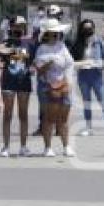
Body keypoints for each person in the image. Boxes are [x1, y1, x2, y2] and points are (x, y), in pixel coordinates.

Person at [34, 17, 75, 157]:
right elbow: (39, 70)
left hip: (63, 85)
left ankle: (66, 146)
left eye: (57, 32)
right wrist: (48, 64)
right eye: (53, 32)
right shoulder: (42, 49)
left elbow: (69, 64)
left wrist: (69, 81)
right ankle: (48, 147)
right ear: (47, 34)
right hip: (47, 86)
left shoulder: (62, 46)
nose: (56, 34)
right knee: (48, 118)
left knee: (64, 118)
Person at [0, 16, 34, 157]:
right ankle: (5, 147)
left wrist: (33, 68)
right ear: (11, 26)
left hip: (24, 81)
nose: (19, 28)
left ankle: (23, 146)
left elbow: (33, 61)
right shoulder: (5, 43)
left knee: (23, 114)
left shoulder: (29, 43)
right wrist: (0, 64)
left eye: (22, 25)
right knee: (8, 114)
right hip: (9, 80)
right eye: (17, 25)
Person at [72, 19, 104, 137]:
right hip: (83, 75)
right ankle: (88, 127)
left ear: (93, 29)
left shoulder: (99, 41)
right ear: (82, 30)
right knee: (86, 102)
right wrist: (81, 63)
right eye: (85, 28)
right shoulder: (78, 43)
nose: (88, 30)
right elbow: (73, 60)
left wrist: (100, 64)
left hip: (96, 75)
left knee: (103, 101)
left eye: (90, 28)